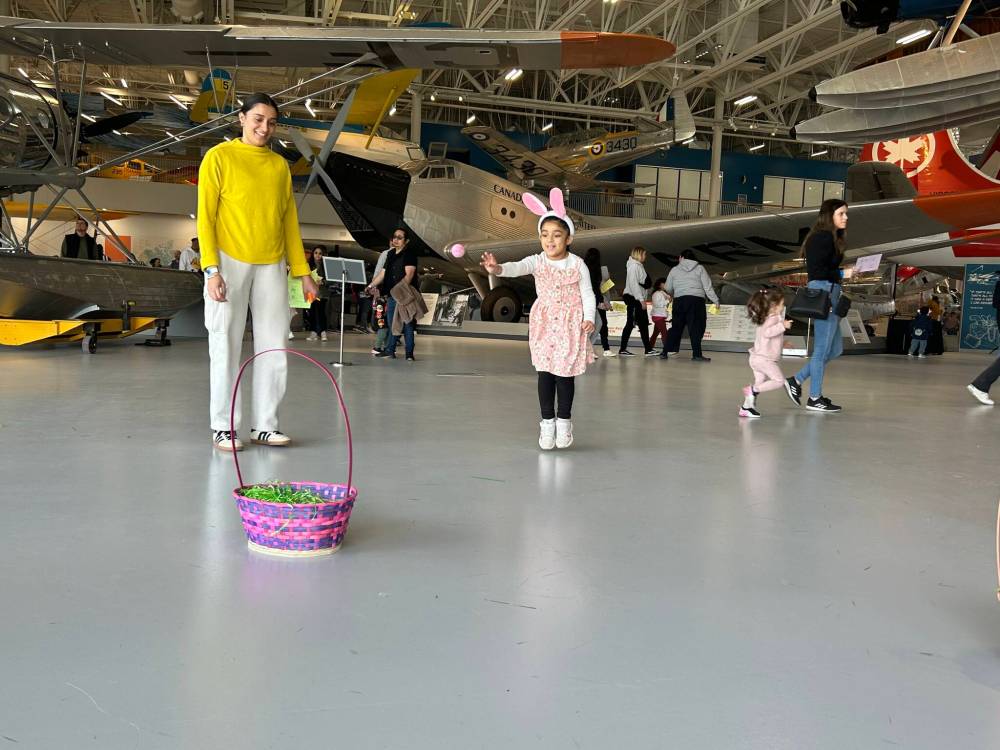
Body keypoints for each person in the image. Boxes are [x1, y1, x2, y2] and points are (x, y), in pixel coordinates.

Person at [198, 93, 319, 452]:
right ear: (242, 118)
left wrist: (303, 271)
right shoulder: (218, 158)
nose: (264, 127)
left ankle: (265, 425)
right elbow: (205, 218)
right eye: (258, 119)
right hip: (228, 260)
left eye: (271, 122)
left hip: (271, 263)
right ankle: (224, 426)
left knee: (275, 344)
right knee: (226, 343)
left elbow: (288, 223)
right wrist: (211, 270)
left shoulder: (279, 166)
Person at [480, 189, 595, 450]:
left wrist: (589, 317)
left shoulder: (578, 265)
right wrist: (497, 269)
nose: (550, 241)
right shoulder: (537, 261)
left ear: (569, 238)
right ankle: (547, 423)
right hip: (544, 324)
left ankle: (564, 422)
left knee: (564, 375)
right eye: (545, 235)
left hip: (569, 325)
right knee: (545, 373)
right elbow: (516, 267)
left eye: (556, 235)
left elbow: (588, 293)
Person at [784, 199, 848, 413]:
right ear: (830, 215)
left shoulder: (829, 238)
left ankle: (796, 380)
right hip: (825, 292)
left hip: (830, 291)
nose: (845, 217)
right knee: (821, 351)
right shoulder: (821, 238)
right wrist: (841, 273)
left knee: (836, 349)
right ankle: (814, 397)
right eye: (841, 213)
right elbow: (819, 270)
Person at [739, 287, 792, 418]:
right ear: (774, 306)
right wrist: (783, 326)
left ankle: (746, 408)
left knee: (760, 381)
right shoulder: (773, 319)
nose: (783, 306)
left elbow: (768, 337)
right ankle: (752, 390)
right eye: (782, 304)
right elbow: (768, 333)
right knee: (779, 381)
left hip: (756, 358)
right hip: (765, 359)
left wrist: (783, 343)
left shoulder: (766, 318)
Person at [369, 228, 419, 361]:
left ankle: (409, 353)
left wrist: (399, 291)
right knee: (392, 323)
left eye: (399, 237)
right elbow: (383, 273)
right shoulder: (390, 254)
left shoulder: (409, 254)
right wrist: (371, 285)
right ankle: (390, 350)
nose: (396, 239)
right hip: (391, 295)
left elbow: (409, 275)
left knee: (408, 324)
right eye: (394, 237)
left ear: (406, 241)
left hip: (404, 295)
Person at [663, 249, 719, 361]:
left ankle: (664, 352)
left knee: (676, 328)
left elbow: (668, 288)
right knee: (696, 328)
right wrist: (715, 300)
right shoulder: (700, 268)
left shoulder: (674, 270)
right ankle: (697, 355)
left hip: (679, 300)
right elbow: (707, 287)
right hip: (696, 301)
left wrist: (677, 291)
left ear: (682, 257)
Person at [619, 246, 655, 357]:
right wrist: (641, 300)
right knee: (631, 323)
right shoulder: (634, 266)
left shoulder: (637, 266)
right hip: (634, 299)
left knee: (643, 324)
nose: (645, 256)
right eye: (644, 254)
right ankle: (623, 349)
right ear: (638, 254)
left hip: (636, 299)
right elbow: (634, 284)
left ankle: (648, 349)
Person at [583, 247, 613, 357]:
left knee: (597, 324)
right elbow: (596, 287)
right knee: (596, 324)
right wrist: (600, 300)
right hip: (591, 300)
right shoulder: (595, 270)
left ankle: (587, 348)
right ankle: (585, 348)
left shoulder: (584, 267)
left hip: (590, 299)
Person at [305, 245, 328, 342]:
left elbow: (330, 279)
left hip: (322, 293)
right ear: (313, 254)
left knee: (321, 311)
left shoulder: (326, 266)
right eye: (316, 253)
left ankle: (323, 332)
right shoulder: (308, 265)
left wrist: (323, 282)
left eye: (320, 253)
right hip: (311, 293)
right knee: (312, 312)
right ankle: (314, 332)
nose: (318, 255)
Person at [649, 277, 670, 355]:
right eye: (665, 283)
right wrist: (667, 301)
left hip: (660, 315)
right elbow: (657, 304)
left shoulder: (662, 292)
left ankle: (650, 347)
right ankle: (667, 349)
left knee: (655, 333)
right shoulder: (656, 294)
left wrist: (668, 298)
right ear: (660, 284)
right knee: (664, 333)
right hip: (658, 316)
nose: (666, 285)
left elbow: (669, 298)